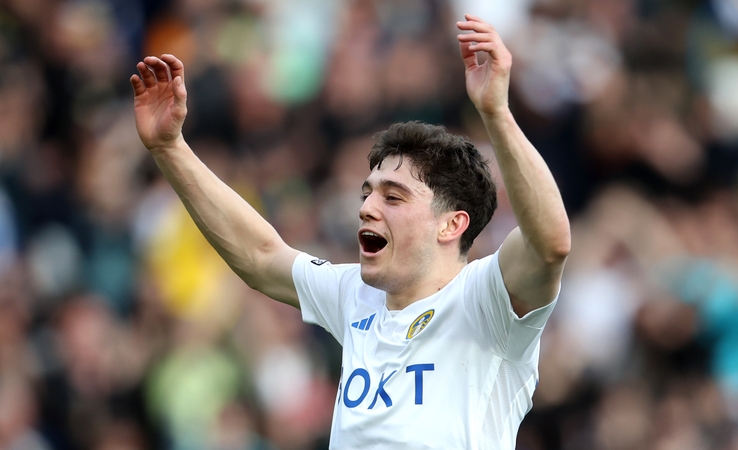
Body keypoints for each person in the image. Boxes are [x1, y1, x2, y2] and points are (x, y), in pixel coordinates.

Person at [131, 14, 570, 449]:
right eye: (368, 193)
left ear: (451, 224)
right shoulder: (356, 295)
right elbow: (261, 256)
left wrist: (496, 112)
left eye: (393, 197)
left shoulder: (488, 300)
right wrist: (171, 148)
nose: (367, 208)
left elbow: (550, 244)